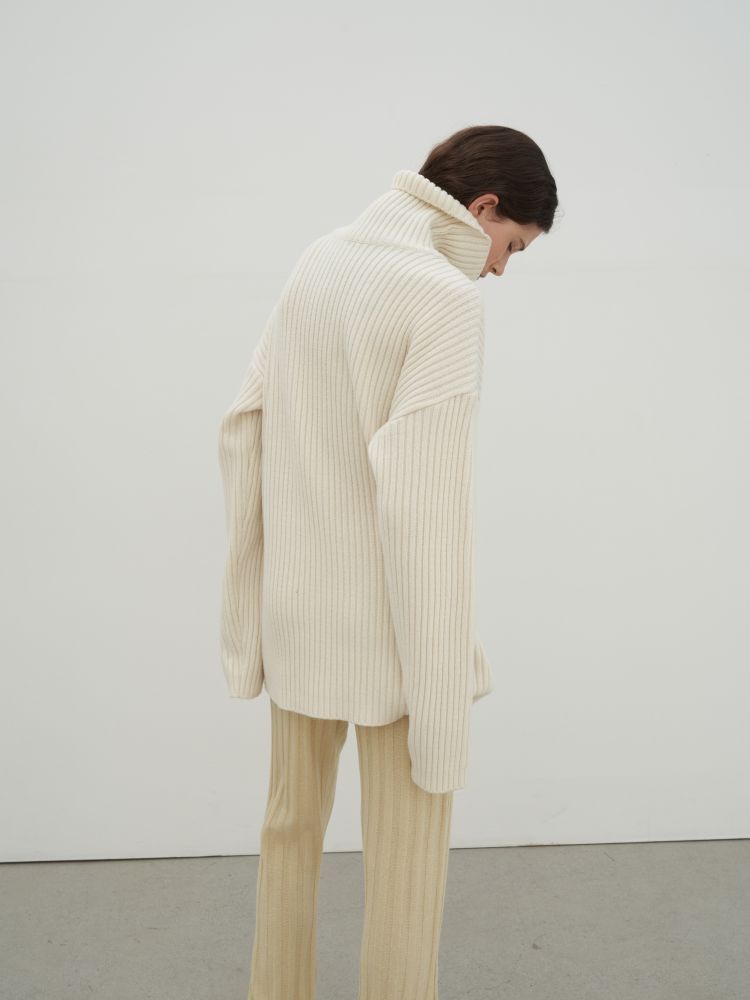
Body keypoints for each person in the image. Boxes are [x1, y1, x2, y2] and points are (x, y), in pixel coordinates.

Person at [217, 124, 558, 1000]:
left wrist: (248, 615)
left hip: (297, 617)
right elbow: (424, 516)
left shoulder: (319, 259)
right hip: (394, 642)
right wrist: (440, 697)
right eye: (512, 246)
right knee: (407, 866)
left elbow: (244, 430)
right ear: (483, 207)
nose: (501, 270)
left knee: (288, 828)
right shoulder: (443, 299)